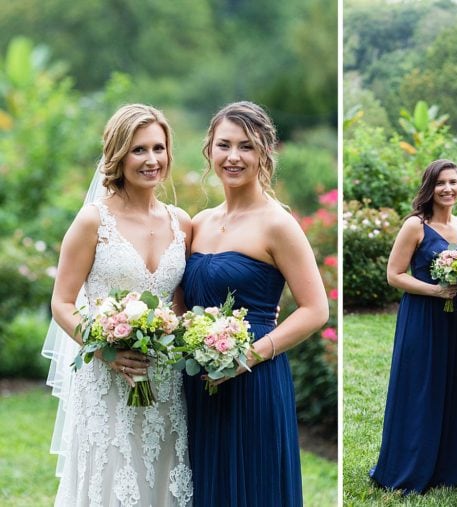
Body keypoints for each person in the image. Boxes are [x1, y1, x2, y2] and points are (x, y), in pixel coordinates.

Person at [44, 104, 194, 505]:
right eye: (138, 150)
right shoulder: (93, 221)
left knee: (165, 478)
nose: (151, 160)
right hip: (107, 378)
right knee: (110, 481)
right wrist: (104, 349)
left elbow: (181, 306)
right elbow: (62, 301)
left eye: (158, 148)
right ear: (118, 154)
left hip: (165, 381)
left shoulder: (182, 222)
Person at [182, 101, 329, 506]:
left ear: (265, 151)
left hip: (254, 379)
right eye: (223, 144)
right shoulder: (199, 222)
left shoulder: (278, 224)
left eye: (246, 146)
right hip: (197, 379)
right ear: (209, 149)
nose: (233, 157)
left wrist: (247, 355)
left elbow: (316, 310)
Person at [369, 159, 457, 493]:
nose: (447, 189)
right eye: (440, 183)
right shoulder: (416, 225)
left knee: (452, 384)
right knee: (420, 386)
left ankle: (448, 466)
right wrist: (435, 290)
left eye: (453, 182)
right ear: (430, 187)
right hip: (422, 316)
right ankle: (409, 467)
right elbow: (394, 274)